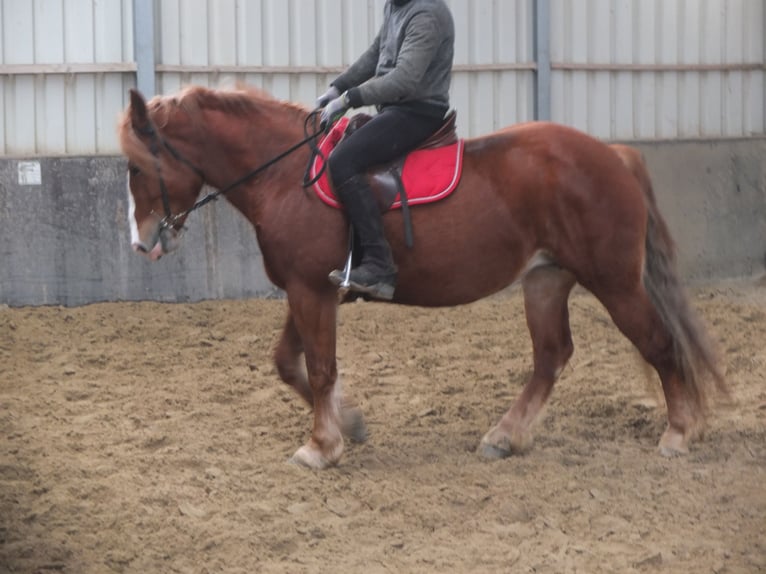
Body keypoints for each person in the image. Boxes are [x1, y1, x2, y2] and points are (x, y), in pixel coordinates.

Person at [317, 0, 455, 301]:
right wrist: (337, 87)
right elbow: (374, 55)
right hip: (395, 109)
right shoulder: (396, 7)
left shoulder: (427, 13)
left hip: (418, 111)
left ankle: (380, 265)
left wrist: (350, 98)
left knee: (343, 161)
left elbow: (404, 79)